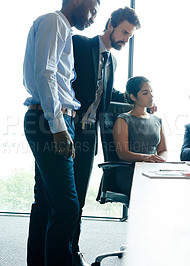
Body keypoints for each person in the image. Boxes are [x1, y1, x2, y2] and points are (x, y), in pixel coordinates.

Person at [22, 0, 100, 265]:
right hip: (50, 122)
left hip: (50, 120)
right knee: (68, 207)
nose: (93, 18)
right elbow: (45, 74)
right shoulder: (55, 22)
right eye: (93, 10)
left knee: (46, 203)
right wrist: (58, 127)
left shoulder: (61, 28)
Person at [70, 7, 141, 263]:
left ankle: (72, 251)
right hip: (67, 129)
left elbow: (106, 94)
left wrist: (135, 100)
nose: (125, 38)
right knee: (57, 200)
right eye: (124, 32)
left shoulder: (112, 60)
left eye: (130, 36)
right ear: (110, 24)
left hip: (89, 137)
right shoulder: (79, 44)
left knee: (77, 199)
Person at [113, 76, 168, 196]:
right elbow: (123, 153)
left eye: (151, 92)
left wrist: (160, 160)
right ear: (133, 97)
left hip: (153, 170)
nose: (151, 96)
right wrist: (147, 158)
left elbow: (163, 150)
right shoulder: (123, 120)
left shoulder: (157, 120)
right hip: (130, 172)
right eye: (145, 93)